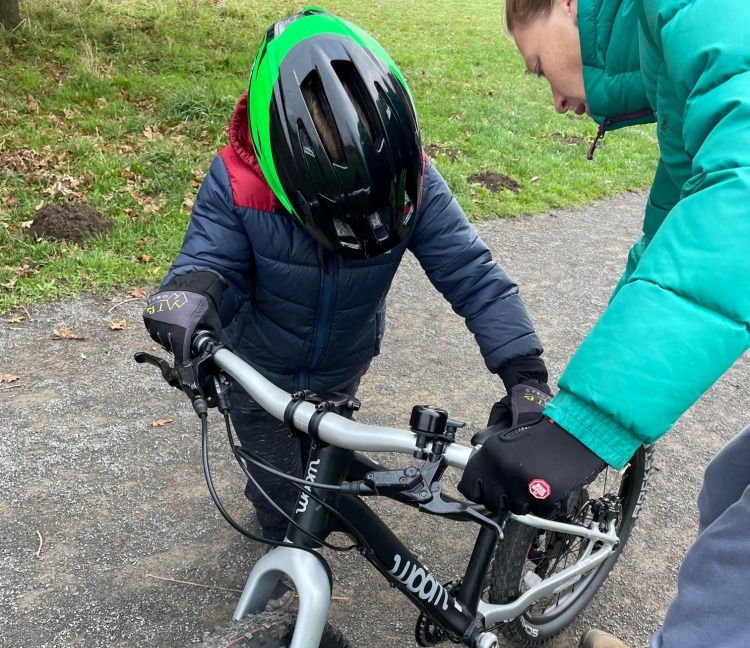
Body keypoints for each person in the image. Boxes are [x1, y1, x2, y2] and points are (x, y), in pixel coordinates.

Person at [143, 6, 548, 610]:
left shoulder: (412, 180)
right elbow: (208, 261)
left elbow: (472, 274)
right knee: (273, 487)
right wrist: (191, 302)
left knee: (322, 459)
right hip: (257, 368)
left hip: (342, 361)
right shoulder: (238, 182)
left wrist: (524, 371)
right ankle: (287, 547)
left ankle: (317, 504)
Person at [460, 0, 750, 648]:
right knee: (731, 484)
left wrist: (587, 428)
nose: (548, 94)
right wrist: (594, 402)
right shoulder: (674, 45)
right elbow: (676, 243)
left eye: (533, 62)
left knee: (743, 580)